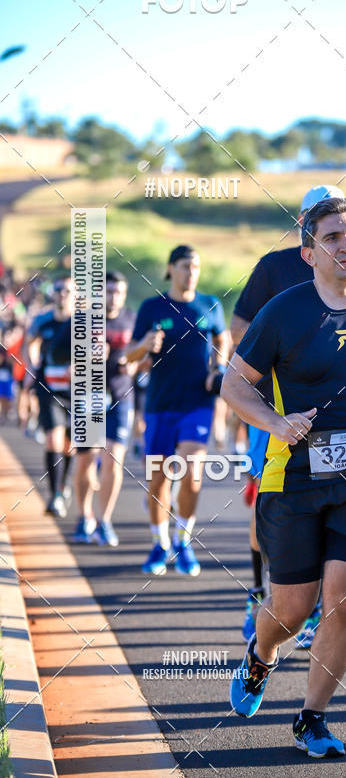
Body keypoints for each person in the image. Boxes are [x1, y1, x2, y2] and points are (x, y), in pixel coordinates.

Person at [223, 197, 346, 757]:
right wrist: (276, 423)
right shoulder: (282, 312)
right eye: (333, 237)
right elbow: (234, 386)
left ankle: (312, 716)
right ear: (310, 252)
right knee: (290, 607)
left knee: (343, 599)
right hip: (295, 477)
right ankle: (261, 656)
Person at [231, 184, 346, 646]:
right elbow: (240, 328)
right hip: (276, 411)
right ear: (303, 227)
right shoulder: (274, 267)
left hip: (344, 433)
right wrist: (274, 386)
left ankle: (308, 607)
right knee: (263, 498)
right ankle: (263, 588)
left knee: (337, 544)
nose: (341, 241)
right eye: (320, 221)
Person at [126, 245, 228, 576]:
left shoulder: (210, 305)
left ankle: (183, 541)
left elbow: (223, 340)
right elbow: (128, 356)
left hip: (197, 404)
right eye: (185, 266)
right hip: (159, 405)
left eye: (196, 266)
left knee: (192, 476)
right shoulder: (152, 307)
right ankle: (161, 544)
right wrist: (145, 346)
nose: (191, 272)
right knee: (157, 482)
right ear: (171, 269)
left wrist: (217, 366)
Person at [69, 272, 137, 546]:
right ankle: (84, 516)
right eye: (109, 291)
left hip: (122, 396)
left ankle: (105, 520)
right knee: (85, 460)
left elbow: (143, 356)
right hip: (89, 396)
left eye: (119, 292)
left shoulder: (132, 319)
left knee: (113, 459)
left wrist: (133, 364)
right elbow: (69, 362)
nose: (114, 297)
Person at [25, 276, 74, 517]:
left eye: (67, 290)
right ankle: (55, 495)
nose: (62, 294)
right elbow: (30, 341)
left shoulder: (83, 322)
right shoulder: (42, 320)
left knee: (69, 446)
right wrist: (33, 365)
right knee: (53, 439)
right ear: (52, 293)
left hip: (76, 392)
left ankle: (63, 486)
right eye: (58, 289)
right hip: (48, 388)